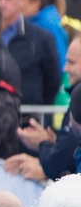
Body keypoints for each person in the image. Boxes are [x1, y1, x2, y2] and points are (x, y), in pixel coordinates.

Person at [8, 37, 81, 182]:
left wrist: (43, 143)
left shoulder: (78, 98)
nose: (65, 68)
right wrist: (50, 145)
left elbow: (59, 162)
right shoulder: (75, 95)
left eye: (71, 62)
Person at [0, 0, 62, 105]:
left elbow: (53, 80)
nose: (2, 3)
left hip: (28, 119)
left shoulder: (42, 38)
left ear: (20, 0)